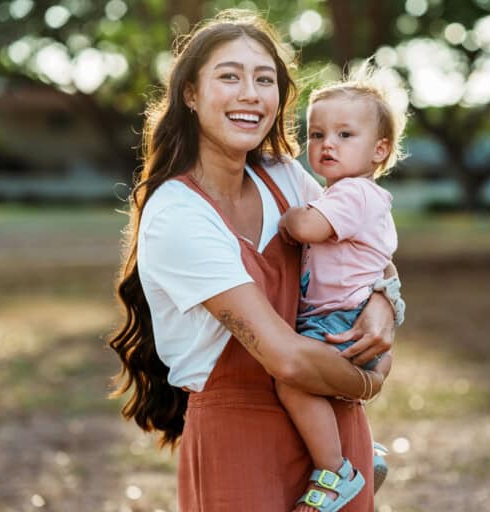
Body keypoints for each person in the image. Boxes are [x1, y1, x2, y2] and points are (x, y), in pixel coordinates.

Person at [107, 9, 403, 512]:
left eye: (264, 79)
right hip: (242, 440)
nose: (250, 93)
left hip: (333, 441)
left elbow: (366, 250)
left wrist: (383, 301)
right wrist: (370, 380)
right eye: (230, 76)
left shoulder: (284, 177)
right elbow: (284, 358)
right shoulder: (177, 214)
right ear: (191, 94)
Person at [276, 67, 407, 511]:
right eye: (316, 134)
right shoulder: (343, 193)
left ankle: (337, 471)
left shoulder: (355, 194)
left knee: (293, 383)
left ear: (379, 150)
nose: (326, 143)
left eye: (345, 134)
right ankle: (362, 455)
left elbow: (308, 227)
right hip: (341, 314)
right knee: (319, 391)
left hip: (342, 319)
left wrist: (291, 219)